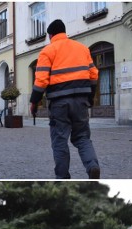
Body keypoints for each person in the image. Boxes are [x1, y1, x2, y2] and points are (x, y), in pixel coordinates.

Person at [29, 19, 101, 179]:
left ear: (50, 35)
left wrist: (34, 102)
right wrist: (90, 97)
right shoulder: (82, 49)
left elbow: (41, 81)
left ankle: (62, 178)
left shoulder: (47, 51)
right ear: (64, 32)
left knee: (60, 141)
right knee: (82, 137)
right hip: (81, 101)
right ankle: (92, 166)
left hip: (59, 103)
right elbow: (94, 74)